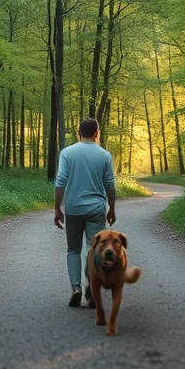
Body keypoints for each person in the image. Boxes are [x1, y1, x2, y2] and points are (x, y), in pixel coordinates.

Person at [54, 118, 116, 308]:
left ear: (78, 132)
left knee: (73, 249)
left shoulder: (67, 153)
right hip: (97, 209)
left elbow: (60, 182)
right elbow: (109, 184)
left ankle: (76, 288)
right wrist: (112, 208)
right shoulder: (104, 155)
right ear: (97, 132)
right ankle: (92, 286)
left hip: (73, 208)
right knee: (95, 248)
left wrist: (57, 208)